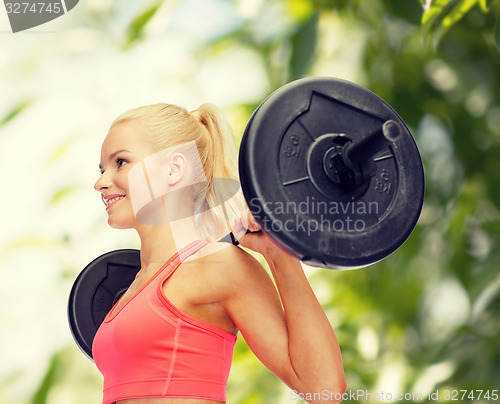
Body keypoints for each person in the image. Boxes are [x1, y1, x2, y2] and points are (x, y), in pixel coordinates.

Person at [92, 102, 346, 404]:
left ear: (174, 169)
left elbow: (324, 388)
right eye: (101, 169)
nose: (100, 182)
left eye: (120, 162)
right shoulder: (133, 287)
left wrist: (279, 256)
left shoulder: (218, 266)